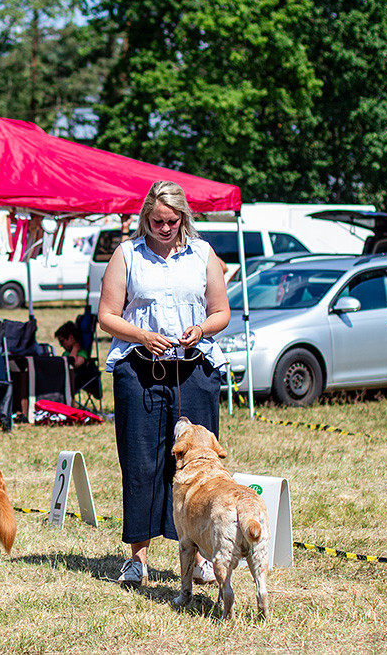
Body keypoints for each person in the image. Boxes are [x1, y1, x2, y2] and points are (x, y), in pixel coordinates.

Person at [97, 180, 231, 586]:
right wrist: (141, 335)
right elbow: (107, 315)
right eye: (157, 221)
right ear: (145, 218)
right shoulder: (126, 255)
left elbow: (221, 311)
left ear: (184, 218)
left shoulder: (204, 253)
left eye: (172, 221)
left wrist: (202, 328)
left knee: (199, 464)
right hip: (139, 370)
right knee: (141, 464)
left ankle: (203, 556)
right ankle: (137, 559)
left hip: (195, 369)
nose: (165, 227)